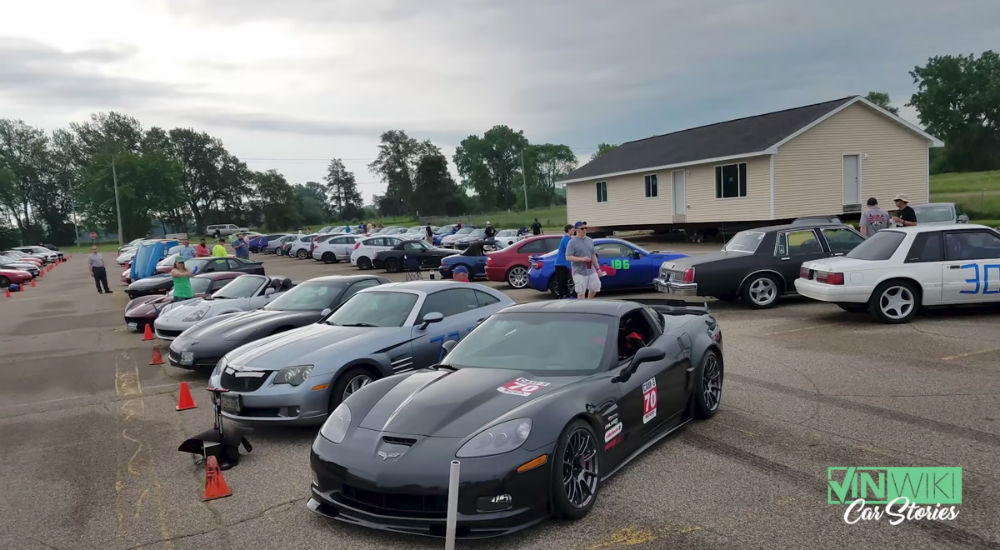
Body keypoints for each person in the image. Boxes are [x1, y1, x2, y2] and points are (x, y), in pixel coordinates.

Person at [565, 221, 603, 299]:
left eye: (586, 228)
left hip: (590, 270)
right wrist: (582, 259)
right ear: (576, 230)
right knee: (581, 293)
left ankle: (588, 303)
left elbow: (593, 255)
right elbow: (568, 257)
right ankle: (581, 308)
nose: (584, 230)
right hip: (578, 272)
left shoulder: (589, 240)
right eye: (582, 228)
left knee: (595, 288)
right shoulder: (572, 242)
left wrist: (598, 269)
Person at [554, 224, 574, 298]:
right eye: (572, 230)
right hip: (561, 264)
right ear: (569, 230)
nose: (574, 231)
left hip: (564, 264)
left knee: (564, 281)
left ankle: (567, 296)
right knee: (561, 282)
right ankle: (561, 297)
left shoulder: (568, 238)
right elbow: (570, 249)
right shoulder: (566, 239)